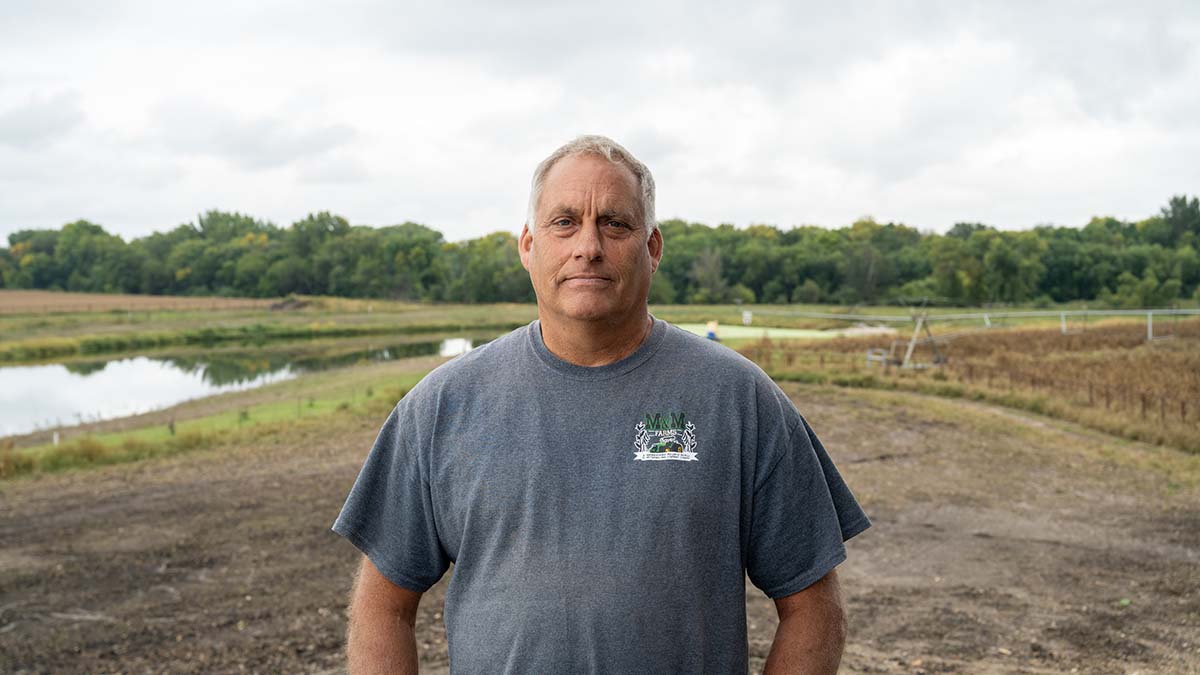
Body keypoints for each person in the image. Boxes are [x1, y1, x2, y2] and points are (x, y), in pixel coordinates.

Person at [332, 135, 870, 674]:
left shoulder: (739, 401)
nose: (587, 245)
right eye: (564, 222)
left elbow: (813, 608)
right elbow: (384, 606)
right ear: (528, 246)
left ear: (653, 248)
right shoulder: (442, 407)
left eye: (615, 224)